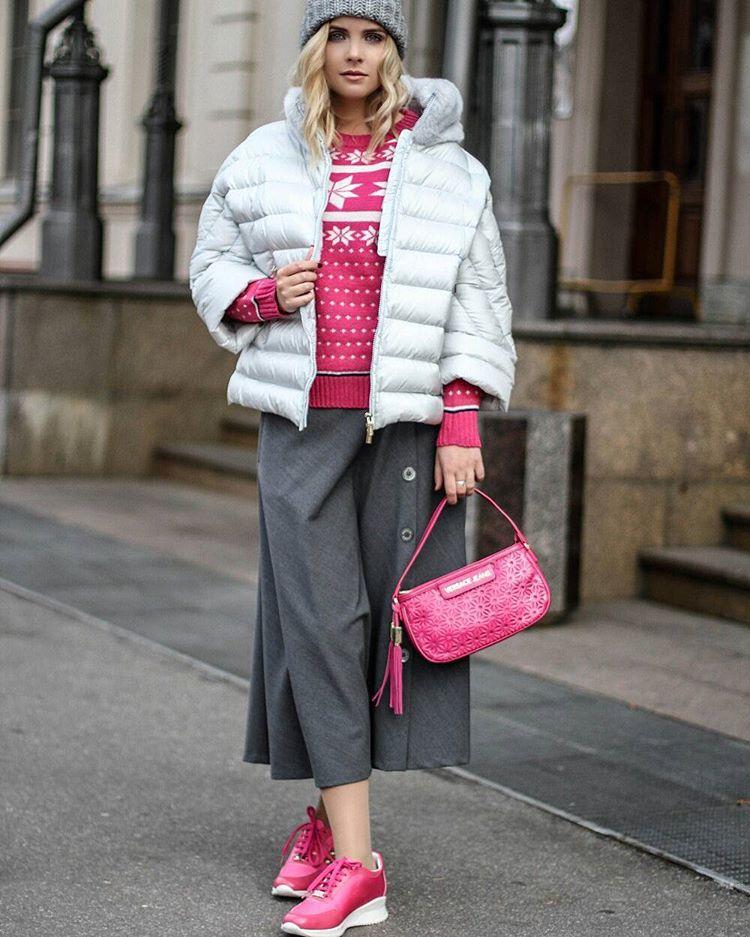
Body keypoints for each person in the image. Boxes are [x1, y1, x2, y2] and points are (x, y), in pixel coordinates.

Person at [188, 2, 517, 934]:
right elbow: (210, 261)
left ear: (396, 51)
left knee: (381, 632)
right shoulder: (263, 156)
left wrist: (461, 415)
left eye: (374, 36)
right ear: (315, 48)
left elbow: (477, 297)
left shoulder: (451, 171)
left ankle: (332, 827)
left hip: (405, 431)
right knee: (318, 621)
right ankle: (360, 865)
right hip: (303, 426)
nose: (356, 53)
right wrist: (258, 296)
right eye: (338, 34)